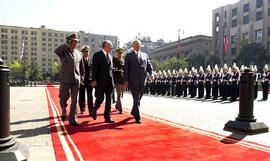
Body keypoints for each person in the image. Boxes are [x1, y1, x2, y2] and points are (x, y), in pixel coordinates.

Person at [54, 33, 84, 126]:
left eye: (76, 42)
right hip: (65, 79)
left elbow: (82, 67)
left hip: (76, 80)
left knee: (75, 100)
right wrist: (66, 45)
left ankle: (73, 119)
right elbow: (56, 51)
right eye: (73, 42)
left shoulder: (79, 53)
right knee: (63, 98)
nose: (75, 44)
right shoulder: (63, 51)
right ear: (69, 42)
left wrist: (81, 77)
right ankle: (64, 109)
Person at [124, 40, 153, 124]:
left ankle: (134, 110)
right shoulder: (129, 55)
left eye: (139, 44)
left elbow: (149, 65)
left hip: (142, 80)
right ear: (133, 46)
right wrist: (126, 80)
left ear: (141, 45)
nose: (137, 45)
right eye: (135, 44)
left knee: (139, 98)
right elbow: (126, 69)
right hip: (133, 81)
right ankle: (137, 117)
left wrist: (151, 74)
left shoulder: (145, 55)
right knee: (136, 98)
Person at [91, 40, 115, 123]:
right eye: (110, 45)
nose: (112, 47)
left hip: (109, 82)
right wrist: (94, 80)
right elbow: (94, 69)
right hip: (100, 82)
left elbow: (111, 70)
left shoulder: (111, 57)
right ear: (105, 46)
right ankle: (94, 109)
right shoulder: (97, 55)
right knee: (100, 99)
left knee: (109, 100)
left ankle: (107, 117)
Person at [79, 45, 93, 115]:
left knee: (90, 96)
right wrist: (80, 80)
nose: (86, 53)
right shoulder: (80, 60)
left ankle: (91, 110)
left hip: (90, 81)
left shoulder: (91, 60)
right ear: (82, 53)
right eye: (84, 52)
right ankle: (82, 109)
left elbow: (93, 70)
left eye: (87, 52)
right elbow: (78, 71)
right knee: (82, 96)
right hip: (82, 81)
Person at [113, 48, 125, 114]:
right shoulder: (114, 60)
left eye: (121, 53)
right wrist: (118, 70)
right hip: (116, 79)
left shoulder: (123, 61)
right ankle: (120, 108)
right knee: (119, 93)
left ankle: (117, 105)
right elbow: (113, 68)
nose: (120, 54)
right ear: (116, 53)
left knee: (122, 93)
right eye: (119, 53)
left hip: (122, 79)